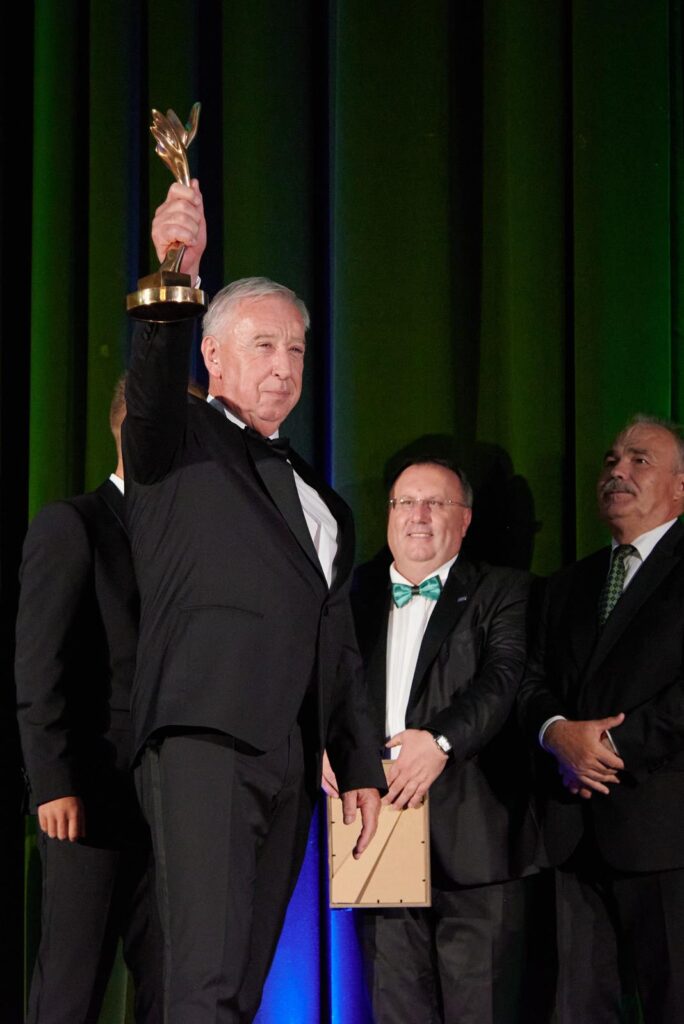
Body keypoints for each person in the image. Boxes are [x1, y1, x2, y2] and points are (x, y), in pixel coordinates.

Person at [123, 180, 385, 1022]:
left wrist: (359, 764)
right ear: (213, 355)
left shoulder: (322, 500)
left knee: (244, 983)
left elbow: (337, 643)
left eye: (297, 350)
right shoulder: (180, 442)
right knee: (202, 977)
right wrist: (176, 274)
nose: (284, 366)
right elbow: (151, 390)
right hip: (203, 735)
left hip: (289, 756)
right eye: (264, 345)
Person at [339, 456, 538, 1024]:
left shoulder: (503, 589)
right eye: (406, 502)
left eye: (436, 503)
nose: (418, 515)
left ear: (465, 518)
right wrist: (330, 747)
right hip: (377, 836)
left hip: (476, 842)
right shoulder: (351, 595)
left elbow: (503, 678)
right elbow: (321, 685)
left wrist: (442, 741)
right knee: (395, 1007)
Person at [518, 415, 684, 1023]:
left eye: (640, 460)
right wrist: (557, 735)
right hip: (574, 839)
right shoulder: (569, 583)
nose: (617, 471)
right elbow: (531, 682)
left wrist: (608, 747)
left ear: (681, 486)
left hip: (665, 836)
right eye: (611, 460)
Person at [15, 377, 162, 1024]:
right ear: (131, 427)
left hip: (173, 803)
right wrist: (53, 782)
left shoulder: (196, 543)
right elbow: (38, 664)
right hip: (90, 797)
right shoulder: (74, 524)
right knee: (71, 988)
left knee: (171, 990)